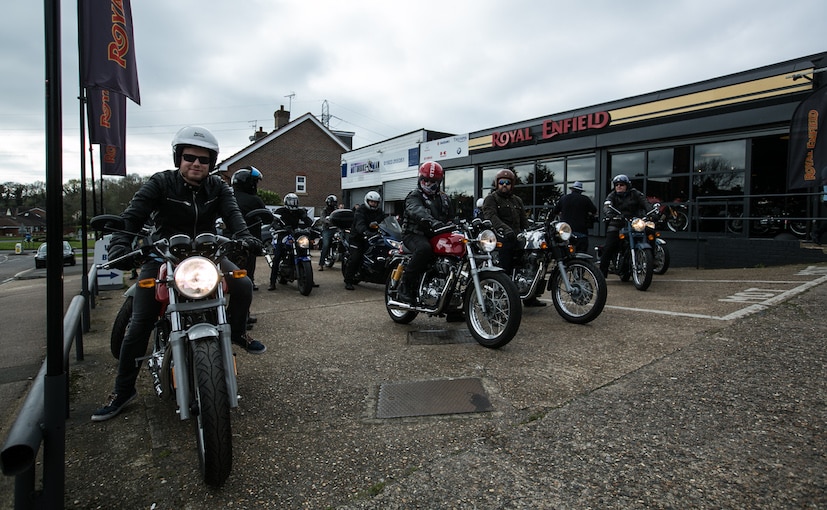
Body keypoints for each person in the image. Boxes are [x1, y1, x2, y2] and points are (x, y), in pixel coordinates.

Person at [92, 126, 266, 422]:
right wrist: (123, 243)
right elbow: (132, 217)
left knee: (243, 284)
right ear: (178, 157)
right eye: (189, 157)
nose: (196, 163)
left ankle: (236, 332)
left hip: (207, 255)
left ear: (211, 164)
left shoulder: (219, 188)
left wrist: (247, 237)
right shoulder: (160, 183)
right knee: (142, 318)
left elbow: (235, 217)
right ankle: (123, 390)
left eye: (204, 159)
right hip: (162, 255)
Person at [398, 162, 454, 305]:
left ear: (439, 182)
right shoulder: (414, 196)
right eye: (426, 180)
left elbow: (451, 217)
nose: (428, 184)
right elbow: (416, 210)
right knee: (424, 249)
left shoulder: (445, 199)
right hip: (414, 234)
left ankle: (452, 301)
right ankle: (405, 287)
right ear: (420, 179)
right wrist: (431, 221)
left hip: (436, 234)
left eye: (433, 181)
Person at [599, 174, 650, 277]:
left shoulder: (635, 194)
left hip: (634, 223)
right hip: (617, 223)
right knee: (609, 246)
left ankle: (651, 260)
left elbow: (645, 203)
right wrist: (609, 213)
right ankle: (601, 273)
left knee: (650, 233)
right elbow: (607, 205)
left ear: (627, 185)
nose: (619, 186)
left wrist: (652, 212)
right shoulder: (612, 195)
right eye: (616, 184)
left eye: (621, 184)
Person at [268, 193, 313, 290]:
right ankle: (272, 282)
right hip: (283, 234)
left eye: (295, 201)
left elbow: (306, 220)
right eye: (291, 201)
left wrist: (311, 224)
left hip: (295, 234)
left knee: (304, 252)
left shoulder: (299, 211)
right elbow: (274, 221)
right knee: (277, 257)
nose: (293, 203)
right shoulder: (280, 211)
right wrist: (278, 227)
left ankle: (310, 279)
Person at [231, 166, 266, 290]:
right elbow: (266, 217)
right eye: (255, 182)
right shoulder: (254, 200)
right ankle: (248, 282)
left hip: (229, 238)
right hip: (250, 238)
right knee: (250, 262)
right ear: (248, 183)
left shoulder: (227, 197)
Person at [344, 191, 387, 290]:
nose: (373, 204)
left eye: (375, 202)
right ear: (367, 201)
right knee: (356, 257)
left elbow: (384, 221)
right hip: (357, 237)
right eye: (371, 202)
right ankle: (348, 280)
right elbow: (360, 224)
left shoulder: (379, 211)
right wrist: (366, 232)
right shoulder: (360, 211)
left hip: (373, 236)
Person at [551, 181, 597, 253]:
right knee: (581, 252)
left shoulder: (564, 198)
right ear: (580, 191)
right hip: (581, 230)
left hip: (566, 231)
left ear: (572, 189)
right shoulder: (585, 199)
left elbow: (555, 211)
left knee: (565, 252)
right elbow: (594, 211)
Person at [318, 194, 338, 271]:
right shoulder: (325, 210)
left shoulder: (337, 210)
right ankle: (321, 264)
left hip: (337, 229)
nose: (334, 204)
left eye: (335, 202)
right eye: (332, 202)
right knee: (326, 245)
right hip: (327, 229)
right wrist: (328, 222)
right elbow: (322, 219)